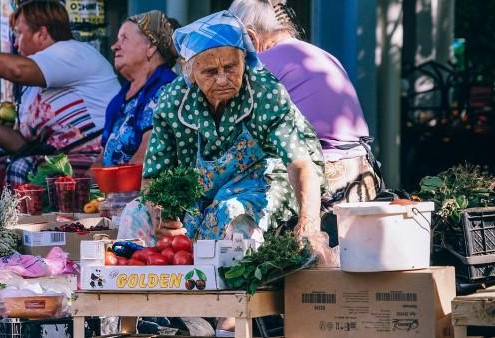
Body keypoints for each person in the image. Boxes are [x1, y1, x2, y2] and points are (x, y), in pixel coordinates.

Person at [118, 10, 325, 247]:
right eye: (210, 72)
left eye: (230, 67)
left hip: (264, 181)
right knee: (134, 214)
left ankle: (227, 282)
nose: (222, 79)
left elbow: (299, 164)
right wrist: (158, 212)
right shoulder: (172, 101)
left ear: (244, 61)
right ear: (190, 71)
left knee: (230, 215)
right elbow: (153, 176)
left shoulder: (265, 92)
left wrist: (309, 224)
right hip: (199, 190)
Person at [0, 1, 120, 186]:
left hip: (98, 158)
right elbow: (20, 144)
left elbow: (18, 71)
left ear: (41, 34)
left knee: (20, 168)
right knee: (0, 166)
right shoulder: (31, 89)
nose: (15, 42)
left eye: (18, 33)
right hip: (56, 161)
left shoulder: (73, 53)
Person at [230, 0, 381, 206]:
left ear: (251, 36)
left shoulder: (263, 64)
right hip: (364, 172)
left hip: (324, 174)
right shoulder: (321, 54)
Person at [98, 10, 178, 166]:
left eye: (124, 39)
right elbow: (101, 158)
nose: (114, 47)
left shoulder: (167, 90)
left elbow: (144, 160)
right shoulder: (121, 99)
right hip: (113, 188)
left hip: (138, 189)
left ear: (150, 46)